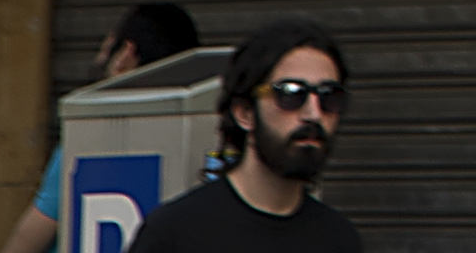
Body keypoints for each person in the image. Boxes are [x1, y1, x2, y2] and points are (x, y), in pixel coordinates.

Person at [126, 22, 355, 253]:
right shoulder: (175, 233)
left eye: (329, 96)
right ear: (245, 112)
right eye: (291, 93)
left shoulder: (338, 238)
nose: (313, 114)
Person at [3, 2, 203, 253]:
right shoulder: (200, 144)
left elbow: (27, 240)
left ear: (126, 53)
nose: (99, 58)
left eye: (106, 47)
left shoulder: (88, 144)